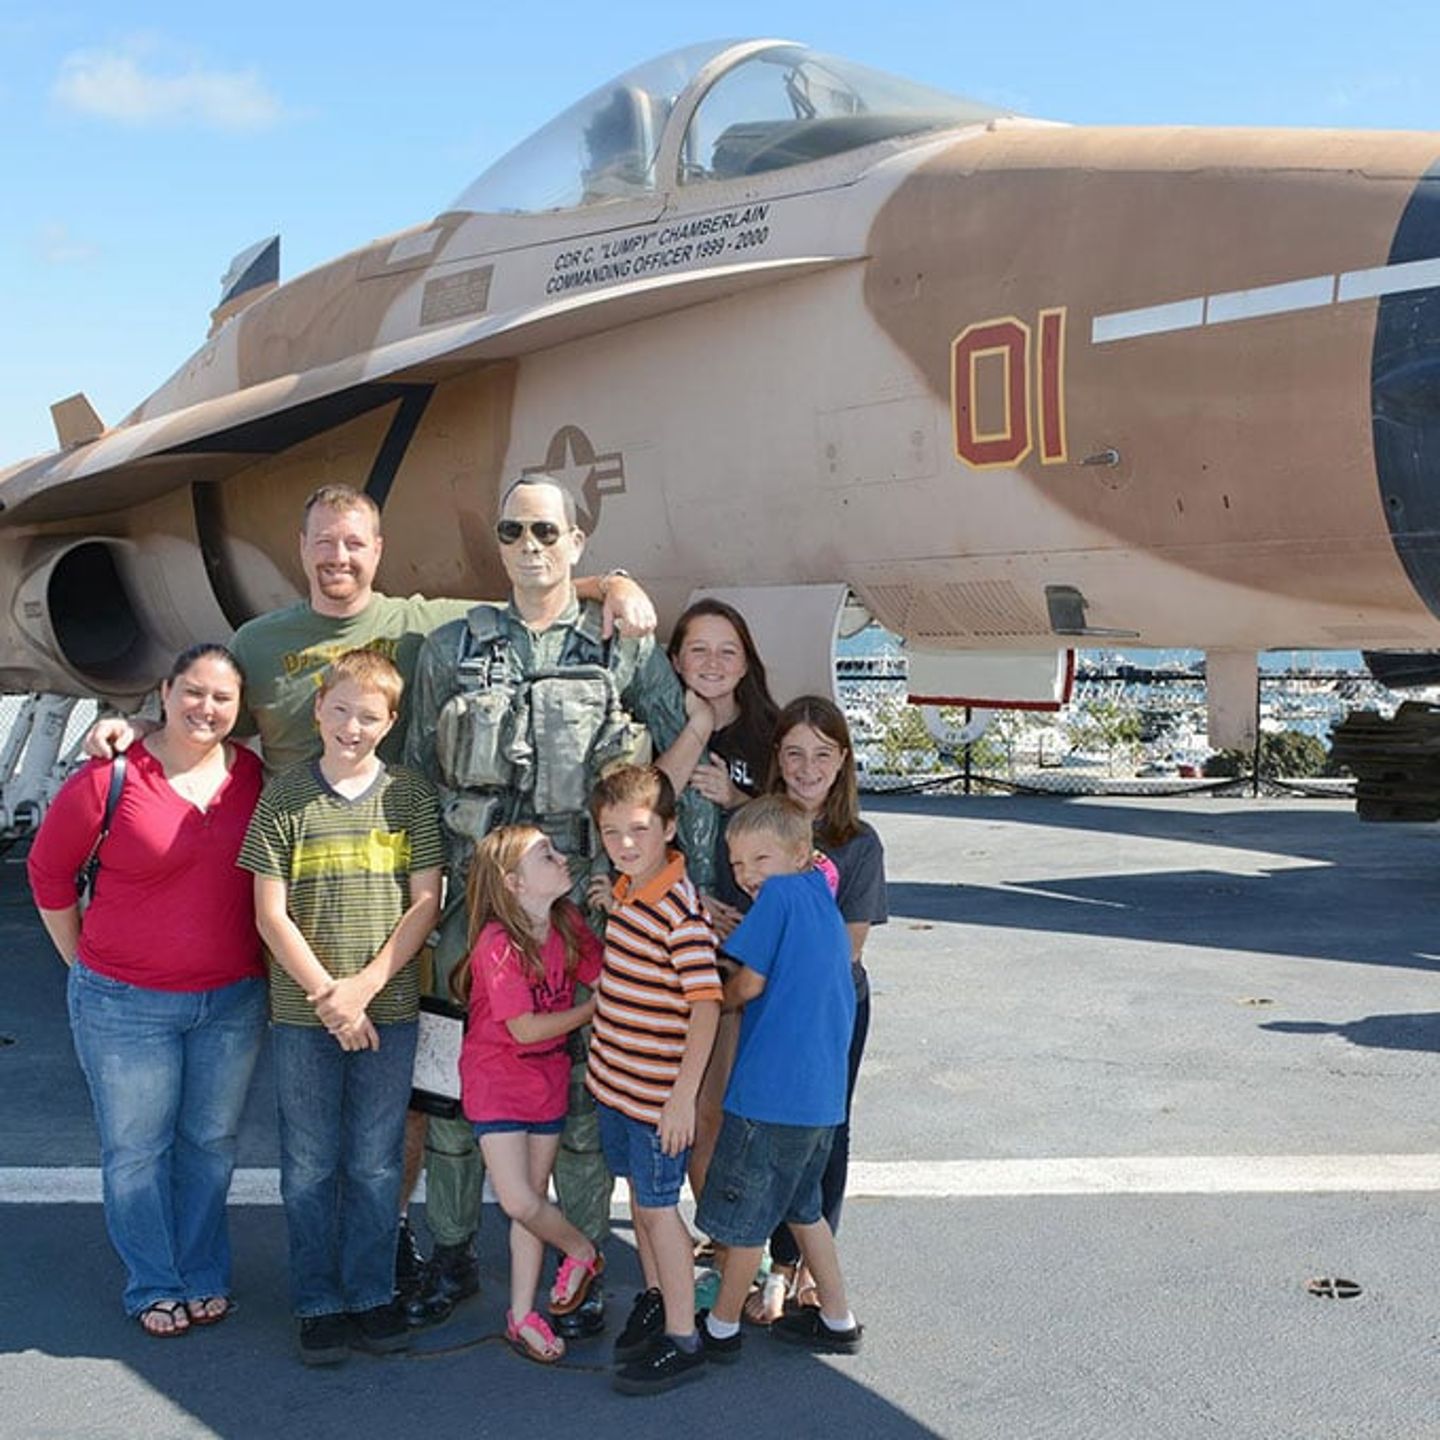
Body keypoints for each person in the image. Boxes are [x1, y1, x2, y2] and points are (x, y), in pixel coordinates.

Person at [84, 482, 656, 1317]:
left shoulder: (427, 623)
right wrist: (129, 728)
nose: (338, 558)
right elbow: (201, 702)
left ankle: (421, 1249)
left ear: (377, 551)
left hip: (413, 900)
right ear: (303, 546)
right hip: (304, 910)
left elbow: (536, 585)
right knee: (403, 1111)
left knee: (454, 1104)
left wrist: (615, 583)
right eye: (323, 542)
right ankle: (382, 1264)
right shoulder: (261, 639)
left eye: (354, 543)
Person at [403, 472, 718, 1337]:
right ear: (498, 543)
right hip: (471, 917)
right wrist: (423, 901)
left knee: (584, 1104)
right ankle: (453, 1252)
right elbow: (421, 784)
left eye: (547, 532)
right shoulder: (449, 649)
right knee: (454, 1101)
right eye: (513, 532)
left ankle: (581, 1273)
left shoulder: (623, 645)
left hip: (586, 913)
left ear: (578, 542)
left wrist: (693, 884)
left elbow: (665, 772)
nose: (530, 548)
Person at [27, 644, 266, 1337]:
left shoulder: (248, 776)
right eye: (193, 692)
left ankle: (201, 1272)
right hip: (125, 1006)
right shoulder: (111, 776)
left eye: (222, 698)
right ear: (165, 692)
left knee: (211, 1144)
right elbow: (49, 876)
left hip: (230, 1002)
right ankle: (154, 1282)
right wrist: (84, 965)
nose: (206, 709)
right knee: (136, 1151)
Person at [239, 649, 443, 1365]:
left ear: (389, 724)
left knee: (376, 1162)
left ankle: (370, 1292)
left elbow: (426, 902)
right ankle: (317, 1301)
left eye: (369, 716)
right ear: (318, 706)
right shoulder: (286, 796)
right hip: (304, 1018)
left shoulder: (410, 796)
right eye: (340, 709)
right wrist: (330, 995)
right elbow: (271, 913)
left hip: (386, 1011)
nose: (352, 726)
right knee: (310, 1162)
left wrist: (364, 989)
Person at [694, 795, 863, 1362]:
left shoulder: (782, 896)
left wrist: (712, 999)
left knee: (744, 1219)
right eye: (738, 865)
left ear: (799, 854)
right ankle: (838, 1318)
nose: (747, 876)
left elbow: (748, 985)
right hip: (818, 1100)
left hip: (769, 1096)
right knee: (802, 1208)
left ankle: (720, 1328)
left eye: (759, 860)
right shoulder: (820, 897)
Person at [584, 765, 721, 1395]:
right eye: (612, 832)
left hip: (656, 1100)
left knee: (660, 1211)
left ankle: (682, 1334)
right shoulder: (630, 891)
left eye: (639, 830)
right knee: (640, 1204)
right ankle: (656, 1293)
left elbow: (706, 1006)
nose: (626, 844)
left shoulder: (679, 913)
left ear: (669, 827)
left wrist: (682, 1099)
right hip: (618, 1087)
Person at [750, 695, 887, 1322]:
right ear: (777, 759)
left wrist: (766, 940)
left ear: (842, 763)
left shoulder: (858, 844)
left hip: (832, 1016)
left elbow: (847, 951)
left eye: (821, 755)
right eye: (794, 753)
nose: (807, 768)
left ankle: (802, 1263)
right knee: (761, 1131)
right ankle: (763, 1256)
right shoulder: (756, 830)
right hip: (761, 1012)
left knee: (825, 1137)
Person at [453, 826, 605, 1365]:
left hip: (547, 1080)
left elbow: (605, 972)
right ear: (514, 883)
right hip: (497, 1079)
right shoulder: (499, 943)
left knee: (532, 1204)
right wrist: (590, 1011)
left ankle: (521, 1314)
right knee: (519, 1198)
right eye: (547, 855)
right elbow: (523, 1028)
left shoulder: (568, 924)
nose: (561, 858)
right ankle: (582, 1251)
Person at [666, 598, 779, 1209]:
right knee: (691, 1111)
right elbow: (634, 823)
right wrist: (693, 903)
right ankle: (711, 1244)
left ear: (746, 663)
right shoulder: (655, 725)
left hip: (750, 958)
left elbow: (799, 834)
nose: (712, 662)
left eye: (726, 650)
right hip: (680, 945)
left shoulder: (772, 735)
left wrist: (739, 800)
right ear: (677, 659)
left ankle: (738, 1247)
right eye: (698, 649)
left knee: (734, 1111)